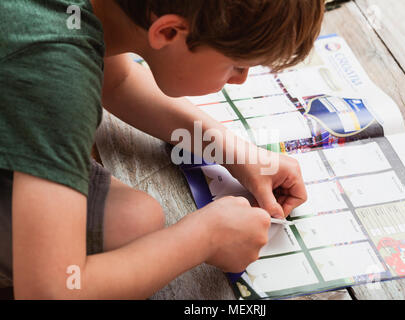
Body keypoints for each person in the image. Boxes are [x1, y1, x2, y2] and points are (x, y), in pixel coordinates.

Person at [0, 0, 324, 299]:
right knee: (134, 223)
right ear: (168, 31)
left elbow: (116, 80)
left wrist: (232, 150)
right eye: (237, 65)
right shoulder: (58, 79)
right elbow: (50, 291)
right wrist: (204, 239)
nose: (240, 79)